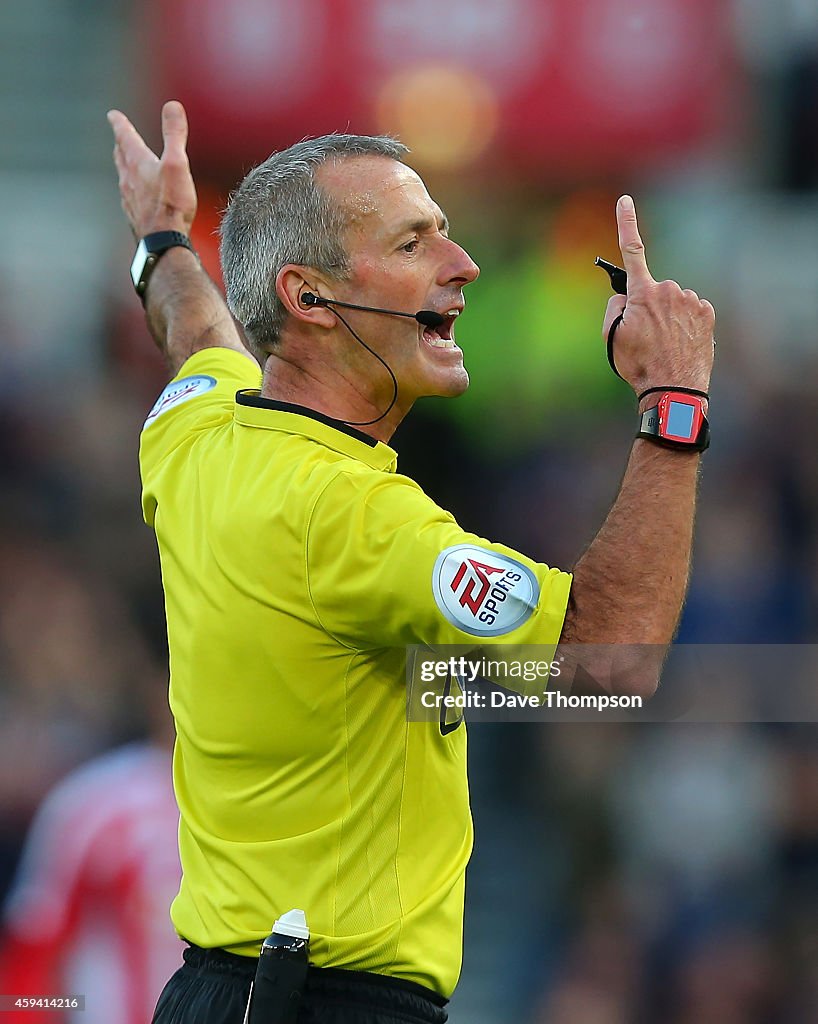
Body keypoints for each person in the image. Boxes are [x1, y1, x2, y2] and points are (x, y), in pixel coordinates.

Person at [106, 101, 715, 1024]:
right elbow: (612, 658)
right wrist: (674, 404)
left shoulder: (196, 432)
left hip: (214, 994)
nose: (463, 263)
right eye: (413, 242)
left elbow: (196, 332)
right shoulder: (356, 520)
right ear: (308, 299)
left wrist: (162, 238)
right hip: (326, 1007)